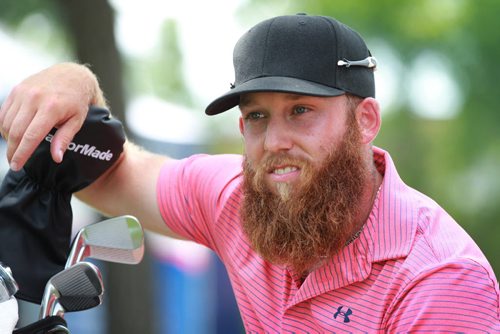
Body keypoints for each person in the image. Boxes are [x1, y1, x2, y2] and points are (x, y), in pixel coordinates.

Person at [1, 13, 499, 332]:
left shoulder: (441, 281)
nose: (275, 141)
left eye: (301, 110)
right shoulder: (239, 199)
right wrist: (77, 84)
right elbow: (112, 176)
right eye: (258, 116)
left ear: (365, 121)